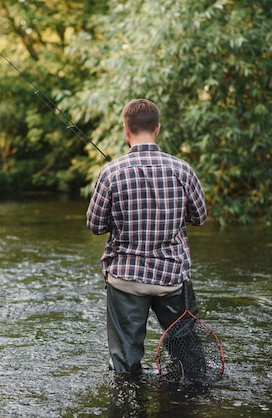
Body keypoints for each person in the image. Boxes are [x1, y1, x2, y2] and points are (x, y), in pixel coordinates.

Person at [86, 98, 207, 374]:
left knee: (125, 365)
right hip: (172, 279)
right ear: (157, 129)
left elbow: (94, 225)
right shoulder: (183, 170)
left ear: (126, 131)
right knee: (188, 360)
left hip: (126, 280)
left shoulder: (110, 173)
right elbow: (199, 218)